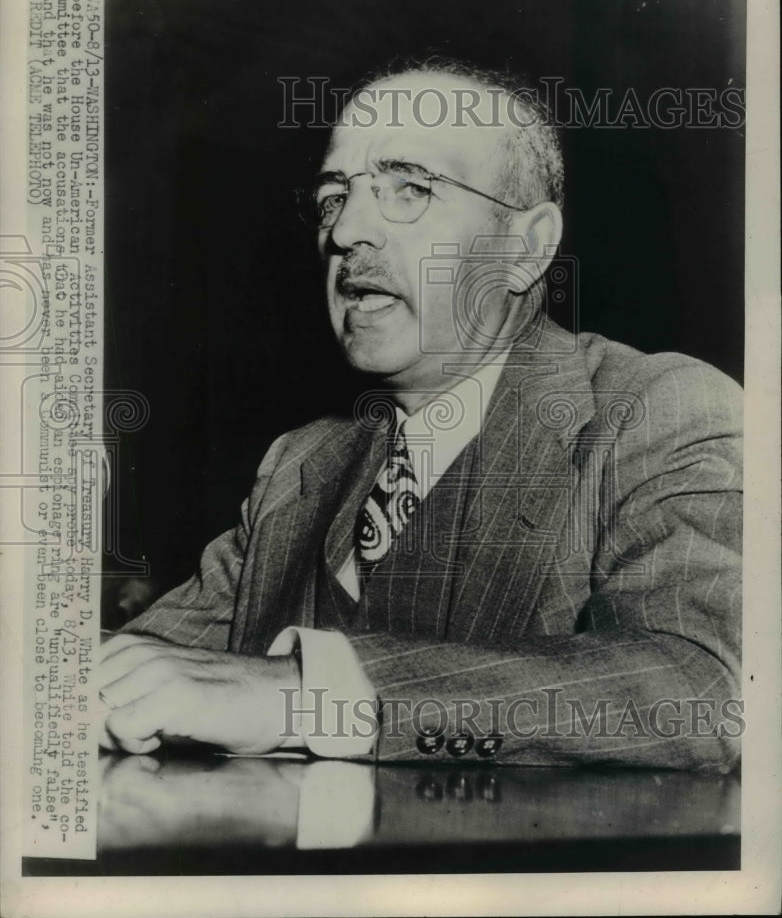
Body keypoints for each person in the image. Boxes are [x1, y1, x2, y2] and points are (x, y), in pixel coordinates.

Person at [99, 58, 743, 770]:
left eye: (409, 188)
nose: (347, 234)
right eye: (333, 196)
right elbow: (147, 663)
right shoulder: (300, 467)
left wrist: (307, 697)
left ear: (527, 247)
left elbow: (705, 689)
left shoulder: (655, 410)